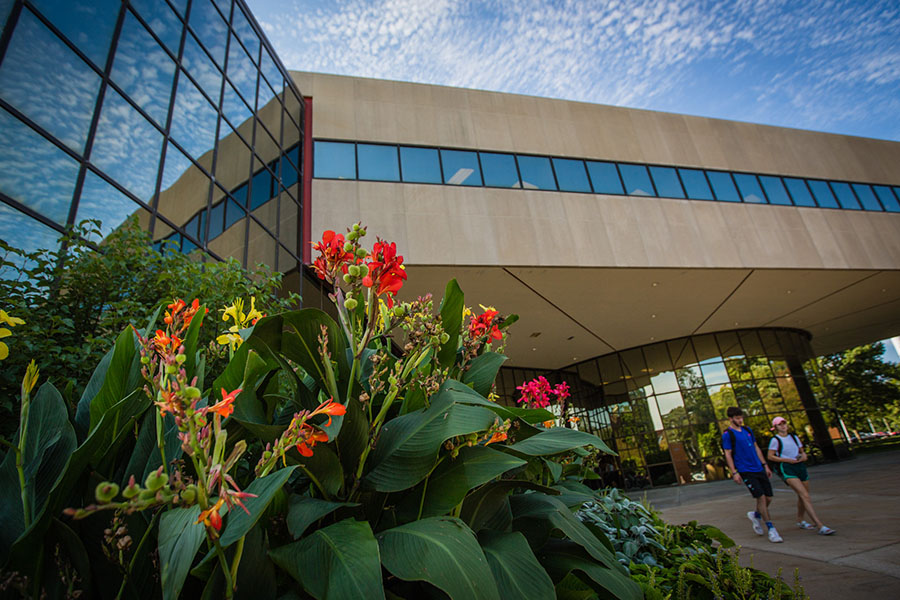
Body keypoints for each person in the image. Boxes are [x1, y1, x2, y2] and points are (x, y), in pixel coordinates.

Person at [722, 407, 783, 542]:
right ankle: (771, 529)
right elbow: (728, 454)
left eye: (741, 417)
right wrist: (734, 472)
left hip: (758, 467)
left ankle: (756, 515)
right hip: (745, 470)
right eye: (737, 418)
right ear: (731, 419)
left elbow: (756, 447)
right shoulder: (728, 434)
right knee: (760, 498)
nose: (740, 420)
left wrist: (765, 465)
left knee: (768, 498)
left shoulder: (747, 430)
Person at [766, 416, 836, 535]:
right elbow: (770, 456)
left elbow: (802, 452)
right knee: (804, 495)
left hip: (800, 466)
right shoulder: (775, 440)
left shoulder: (794, 437)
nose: (783, 426)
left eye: (784, 423)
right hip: (788, 468)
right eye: (779, 424)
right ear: (775, 427)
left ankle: (800, 520)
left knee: (803, 496)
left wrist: (803, 456)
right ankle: (819, 525)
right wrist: (786, 460)